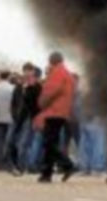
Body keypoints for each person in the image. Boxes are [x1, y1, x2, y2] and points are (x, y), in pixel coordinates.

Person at [36, 52, 77, 183]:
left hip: (53, 112)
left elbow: (51, 91)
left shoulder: (57, 72)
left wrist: (41, 102)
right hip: (62, 112)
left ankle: (67, 164)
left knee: (49, 143)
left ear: (52, 61)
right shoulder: (67, 74)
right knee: (51, 143)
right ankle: (46, 173)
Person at [0, 70, 15, 171]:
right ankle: (7, 163)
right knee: (8, 142)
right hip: (9, 117)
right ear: (8, 77)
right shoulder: (12, 88)